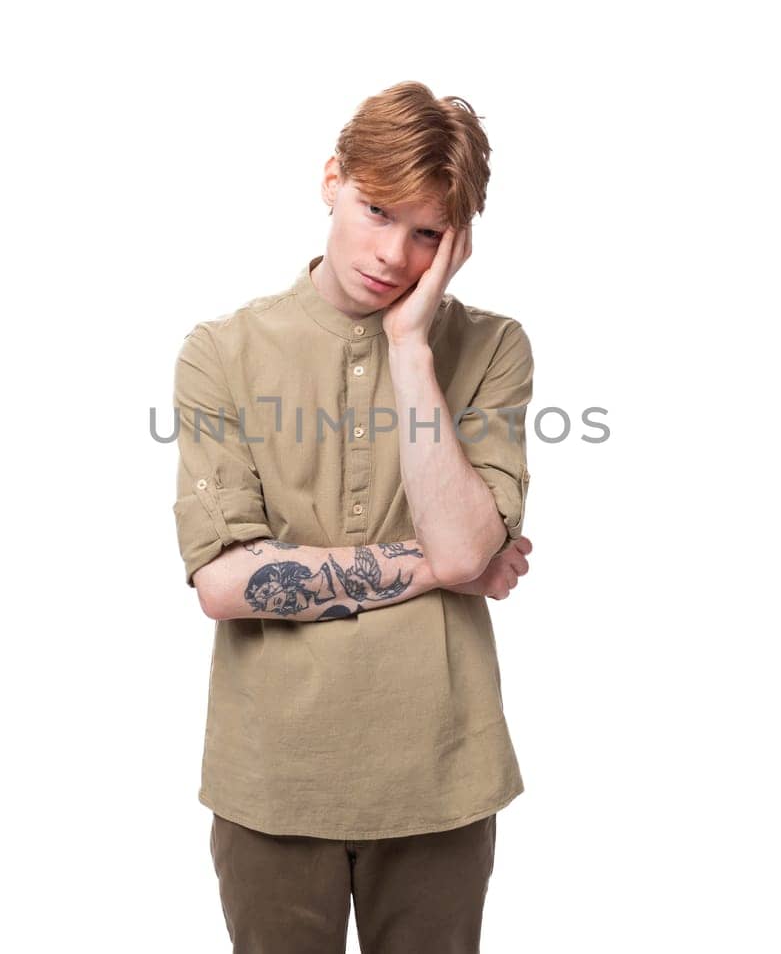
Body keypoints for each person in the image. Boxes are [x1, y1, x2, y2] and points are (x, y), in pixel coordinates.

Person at [170, 80, 536, 954]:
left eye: (426, 233)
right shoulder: (220, 352)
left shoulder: (493, 349)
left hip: (442, 773)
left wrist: (411, 346)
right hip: (273, 776)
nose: (392, 253)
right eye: (376, 209)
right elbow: (224, 582)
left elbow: (465, 543)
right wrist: (448, 561)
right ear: (332, 177)